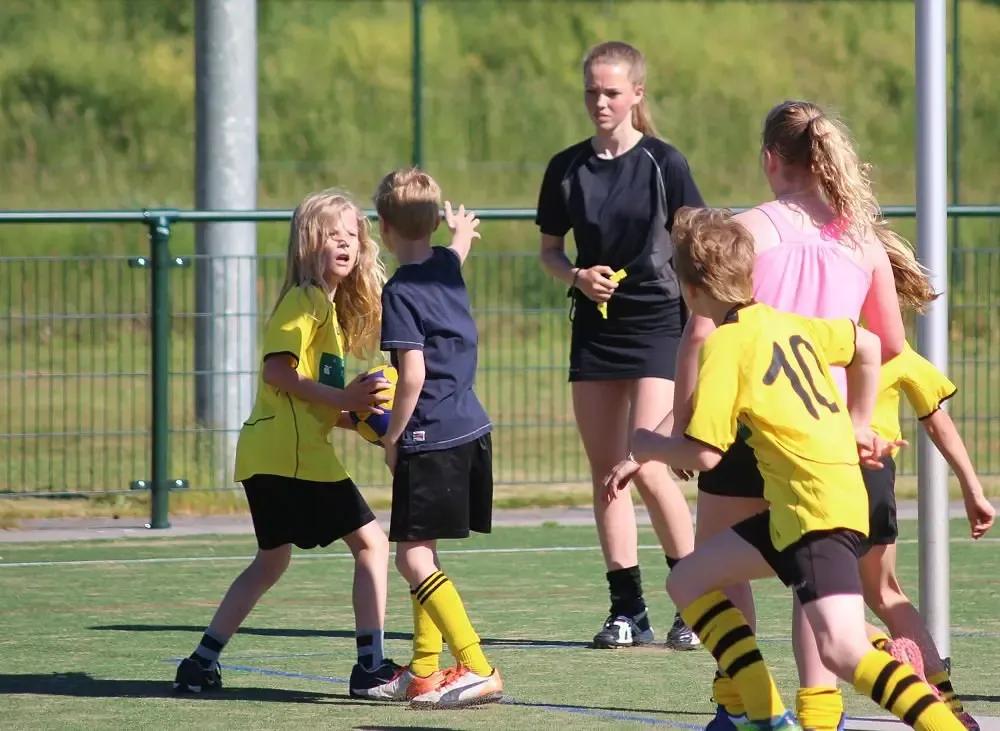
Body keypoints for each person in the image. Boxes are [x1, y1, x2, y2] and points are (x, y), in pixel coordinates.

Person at [606, 206, 965, 731]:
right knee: (688, 579)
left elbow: (705, 455)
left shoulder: (727, 344)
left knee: (842, 650)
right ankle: (764, 716)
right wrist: (858, 421)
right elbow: (867, 345)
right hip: (806, 504)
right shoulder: (786, 323)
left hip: (812, 511)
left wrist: (645, 444)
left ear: (691, 290)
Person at [670, 100, 922, 730]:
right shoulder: (860, 238)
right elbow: (889, 344)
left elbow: (703, 335)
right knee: (818, 583)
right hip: (827, 431)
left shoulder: (746, 230)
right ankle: (819, 713)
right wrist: (864, 418)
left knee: (720, 570)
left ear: (769, 159)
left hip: (750, 420)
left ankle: (741, 709)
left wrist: (682, 423)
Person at [172, 190, 398, 696]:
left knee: (271, 561)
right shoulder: (308, 299)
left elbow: (305, 402)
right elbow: (278, 371)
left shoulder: (329, 313)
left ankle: (199, 664)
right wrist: (346, 396)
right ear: (307, 244)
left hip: (267, 453)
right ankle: (370, 667)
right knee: (372, 544)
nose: (344, 243)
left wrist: (356, 418)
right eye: (331, 235)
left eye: (352, 235)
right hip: (293, 458)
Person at [536, 39, 704, 650]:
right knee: (608, 472)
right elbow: (551, 252)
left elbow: (695, 243)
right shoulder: (567, 167)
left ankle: (695, 602)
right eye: (592, 92)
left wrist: (703, 322)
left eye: (611, 92)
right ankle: (626, 610)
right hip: (596, 329)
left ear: (637, 94)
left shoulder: (665, 162)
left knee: (653, 465)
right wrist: (577, 275)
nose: (600, 102)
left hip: (660, 322)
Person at [362, 167, 503, 708]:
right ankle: (424, 670)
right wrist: (460, 229)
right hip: (469, 428)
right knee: (420, 550)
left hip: (431, 433)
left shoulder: (399, 291)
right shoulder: (444, 266)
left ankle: (477, 665)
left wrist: (392, 437)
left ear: (384, 228)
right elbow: (457, 249)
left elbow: (412, 375)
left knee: (413, 561)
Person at [861, 340, 995, 731]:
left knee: (821, 600)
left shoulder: (813, 331)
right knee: (885, 592)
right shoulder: (889, 344)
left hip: (829, 468)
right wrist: (972, 486)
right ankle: (949, 705)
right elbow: (936, 418)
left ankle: (889, 656)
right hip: (878, 474)